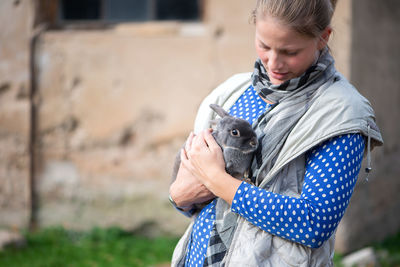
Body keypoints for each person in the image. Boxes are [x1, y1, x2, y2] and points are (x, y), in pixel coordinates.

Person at [169, 0, 383, 266]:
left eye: (289, 51)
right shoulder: (232, 91)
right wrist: (178, 196)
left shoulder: (341, 113)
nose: (273, 62)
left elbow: (312, 223)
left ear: (322, 38)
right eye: (264, 45)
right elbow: (187, 189)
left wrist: (216, 180)